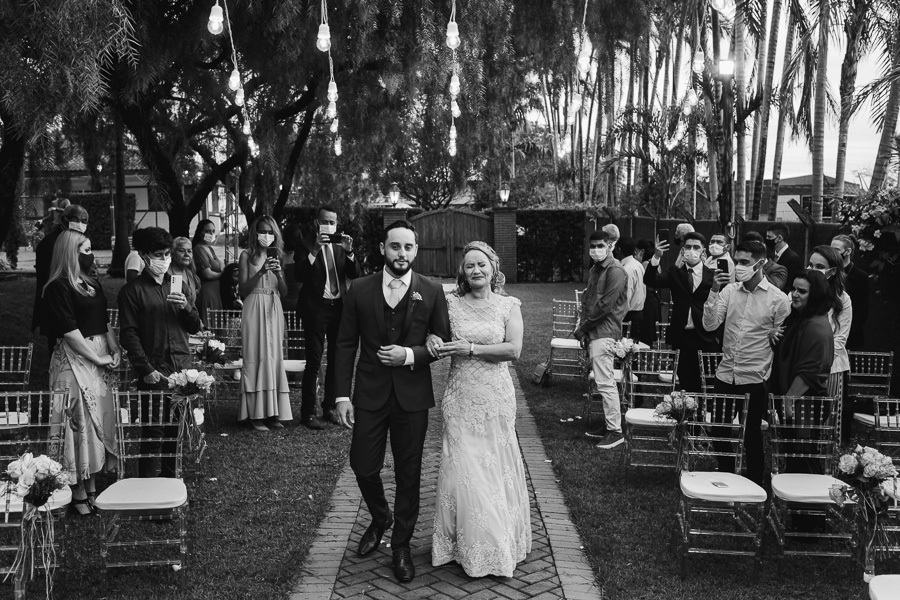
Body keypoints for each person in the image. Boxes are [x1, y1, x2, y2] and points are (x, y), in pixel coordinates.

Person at [334, 220, 451, 584]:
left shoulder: (431, 290)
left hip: (412, 397)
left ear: (416, 250)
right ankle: (380, 516)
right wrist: (341, 395)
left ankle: (401, 545)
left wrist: (409, 354)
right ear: (383, 249)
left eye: (408, 247)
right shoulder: (359, 288)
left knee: (408, 473)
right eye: (395, 246)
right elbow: (344, 344)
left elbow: (441, 341)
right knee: (363, 466)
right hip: (369, 393)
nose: (402, 253)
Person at [429, 242, 531, 578]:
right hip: (459, 397)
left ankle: (496, 544)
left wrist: (471, 348)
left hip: (495, 397)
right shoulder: (450, 303)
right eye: (469, 265)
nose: (476, 270)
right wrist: (431, 336)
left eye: (481, 264)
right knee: (464, 473)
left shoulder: (508, 305)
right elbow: (432, 325)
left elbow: (513, 350)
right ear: (463, 271)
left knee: (493, 469)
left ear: (493, 267)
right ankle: (462, 545)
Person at [702, 240, 791, 485]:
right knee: (719, 429)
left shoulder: (778, 299)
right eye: (737, 261)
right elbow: (709, 325)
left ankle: (753, 481)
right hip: (725, 373)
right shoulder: (729, 291)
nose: (739, 267)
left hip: (755, 377)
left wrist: (776, 337)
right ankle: (726, 475)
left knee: (751, 433)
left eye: (744, 262)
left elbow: (784, 340)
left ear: (760, 263)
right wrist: (713, 290)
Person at [44, 231, 120, 516]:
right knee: (78, 423)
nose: (92, 255)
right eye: (86, 250)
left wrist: (114, 349)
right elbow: (70, 332)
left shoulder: (91, 283)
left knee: (97, 421)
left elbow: (104, 320)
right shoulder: (58, 287)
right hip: (74, 361)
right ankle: (75, 488)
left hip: (99, 357)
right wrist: (97, 358)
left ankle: (91, 484)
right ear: (70, 252)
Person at [118, 227, 202, 478]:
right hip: (154, 369)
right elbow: (129, 334)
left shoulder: (179, 284)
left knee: (175, 432)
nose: (164, 259)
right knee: (153, 432)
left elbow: (195, 325)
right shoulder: (132, 291)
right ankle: (147, 489)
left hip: (181, 368)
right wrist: (145, 368)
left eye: (167, 254)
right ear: (144, 256)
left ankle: (171, 483)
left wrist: (186, 307)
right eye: (158, 254)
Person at [295, 206, 359, 429]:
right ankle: (308, 413)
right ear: (316, 223)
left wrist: (350, 253)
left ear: (337, 223)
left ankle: (329, 407)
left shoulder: (341, 245)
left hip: (338, 308)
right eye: (325, 221)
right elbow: (299, 275)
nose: (329, 225)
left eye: (332, 222)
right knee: (313, 360)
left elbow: (354, 274)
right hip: (316, 309)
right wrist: (314, 250)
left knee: (335, 359)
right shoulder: (305, 244)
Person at [643, 231, 719, 392]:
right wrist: (656, 257)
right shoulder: (675, 272)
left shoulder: (712, 276)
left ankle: (702, 414)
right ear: (683, 250)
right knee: (685, 382)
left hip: (704, 336)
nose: (691, 250)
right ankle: (686, 413)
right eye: (688, 247)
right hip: (681, 336)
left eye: (696, 247)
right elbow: (650, 280)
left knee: (706, 382)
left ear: (703, 251)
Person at [574, 230, 628, 449]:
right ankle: (609, 425)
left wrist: (584, 328)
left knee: (605, 383)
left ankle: (615, 431)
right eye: (593, 245)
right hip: (594, 330)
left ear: (610, 245)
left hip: (605, 331)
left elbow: (606, 306)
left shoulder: (616, 271)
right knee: (600, 381)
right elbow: (588, 301)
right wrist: (584, 329)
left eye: (600, 245)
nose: (596, 249)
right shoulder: (595, 269)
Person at [238, 216, 291, 432]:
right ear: (255, 232)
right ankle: (255, 414)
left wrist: (278, 273)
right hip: (253, 305)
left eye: (270, 232)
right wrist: (261, 271)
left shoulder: (278, 256)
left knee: (273, 356)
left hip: (274, 306)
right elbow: (242, 290)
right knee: (255, 355)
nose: (266, 236)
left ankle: (272, 412)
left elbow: (285, 292)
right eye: (262, 231)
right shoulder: (246, 255)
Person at [808, 245, 854, 442]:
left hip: (831, 367)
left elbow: (840, 338)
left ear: (832, 271)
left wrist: (819, 362)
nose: (812, 269)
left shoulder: (842, 299)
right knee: (804, 424)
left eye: (819, 266)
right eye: (810, 265)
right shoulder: (800, 292)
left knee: (828, 424)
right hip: (802, 368)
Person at [32, 203, 89, 357]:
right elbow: (49, 277)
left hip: (77, 303)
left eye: (85, 221)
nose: (81, 224)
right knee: (58, 350)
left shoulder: (81, 241)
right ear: (64, 220)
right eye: (77, 220)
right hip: (56, 305)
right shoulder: (50, 243)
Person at [770, 270, 835, 398]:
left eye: (802, 291)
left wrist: (789, 401)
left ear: (815, 294)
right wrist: (773, 337)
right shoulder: (797, 317)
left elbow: (810, 372)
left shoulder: (816, 326)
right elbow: (785, 355)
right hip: (788, 397)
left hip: (802, 403)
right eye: (793, 289)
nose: (795, 294)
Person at [831, 234, 869, 349]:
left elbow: (862, 311)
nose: (832, 253)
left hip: (850, 337)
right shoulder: (829, 272)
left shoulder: (860, 277)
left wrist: (845, 333)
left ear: (847, 252)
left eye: (836, 250)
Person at [192, 219, 223, 325]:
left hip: (216, 293)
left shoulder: (209, 248)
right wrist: (224, 274)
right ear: (201, 232)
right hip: (207, 293)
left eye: (213, 231)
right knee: (209, 325)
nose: (211, 234)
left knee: (217, 325)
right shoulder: (199, 249)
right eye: (208, 231)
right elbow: (208, 274)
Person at [617, 237, 646, 341]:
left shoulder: (627, 268)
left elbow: (627, 295)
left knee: (625, 348)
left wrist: (619, 318)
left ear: (619, 250)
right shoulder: (638, 265)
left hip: (629, 314)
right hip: (638, 311)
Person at [637, 238, 660, 346]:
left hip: (648, 300)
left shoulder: (646, 264)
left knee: (646, 332)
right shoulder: (655, 263)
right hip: (653, 300)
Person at [766, 224, 803, 292]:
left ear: (779, 238)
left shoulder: (793, 259)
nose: (767, 239)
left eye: (769, 237)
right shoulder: (770, 256)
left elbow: (791, 284)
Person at [169, 237, 201, 306]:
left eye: (189, 251)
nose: (187, 254)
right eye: (182, 251)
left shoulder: (189, 272)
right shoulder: (168, 274)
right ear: (173, 253)